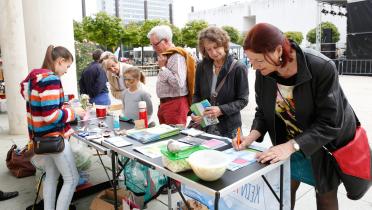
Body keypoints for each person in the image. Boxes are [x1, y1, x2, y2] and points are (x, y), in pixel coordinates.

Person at [233, 23, 357, 210]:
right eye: (251, 62)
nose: (255, 67)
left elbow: (330, 122)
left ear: (277, 50)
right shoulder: (263, 72)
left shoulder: (321, 67)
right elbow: (263, 111)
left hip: (320, 146)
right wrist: (252, 136)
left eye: (258, 61)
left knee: (325, 197)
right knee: (283, 193)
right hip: (285, 144)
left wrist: (291, 146)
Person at [20, 45, 85, 210]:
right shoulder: (51, 79)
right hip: (53, 137)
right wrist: (73, 112)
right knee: (71, 179)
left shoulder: (36, 79)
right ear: (60, 61)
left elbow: (41, 113)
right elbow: (50, 116)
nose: (67, 70)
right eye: (67, 66)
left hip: (41, 138)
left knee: (51, 177)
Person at [191, 26, 249, 138]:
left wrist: (221, 110)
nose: (213, 52)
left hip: (230, 127)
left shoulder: (238, 67)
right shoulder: (201, 66)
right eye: (208, 49)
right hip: (205, 125)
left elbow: (243, 100)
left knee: (230, 155)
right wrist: (196, 112)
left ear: (224, 44)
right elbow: (197, 94)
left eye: (216, 47)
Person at [147, 25, 196, 126]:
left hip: (175, 104)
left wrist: (163, 68)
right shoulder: (167, 55)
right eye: (152, 45)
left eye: (155, 44)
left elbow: (178, 83)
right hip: (167, 103)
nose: (153, 48)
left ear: (165, 40)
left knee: (174, 139)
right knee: (167, 138)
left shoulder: (176, 55)